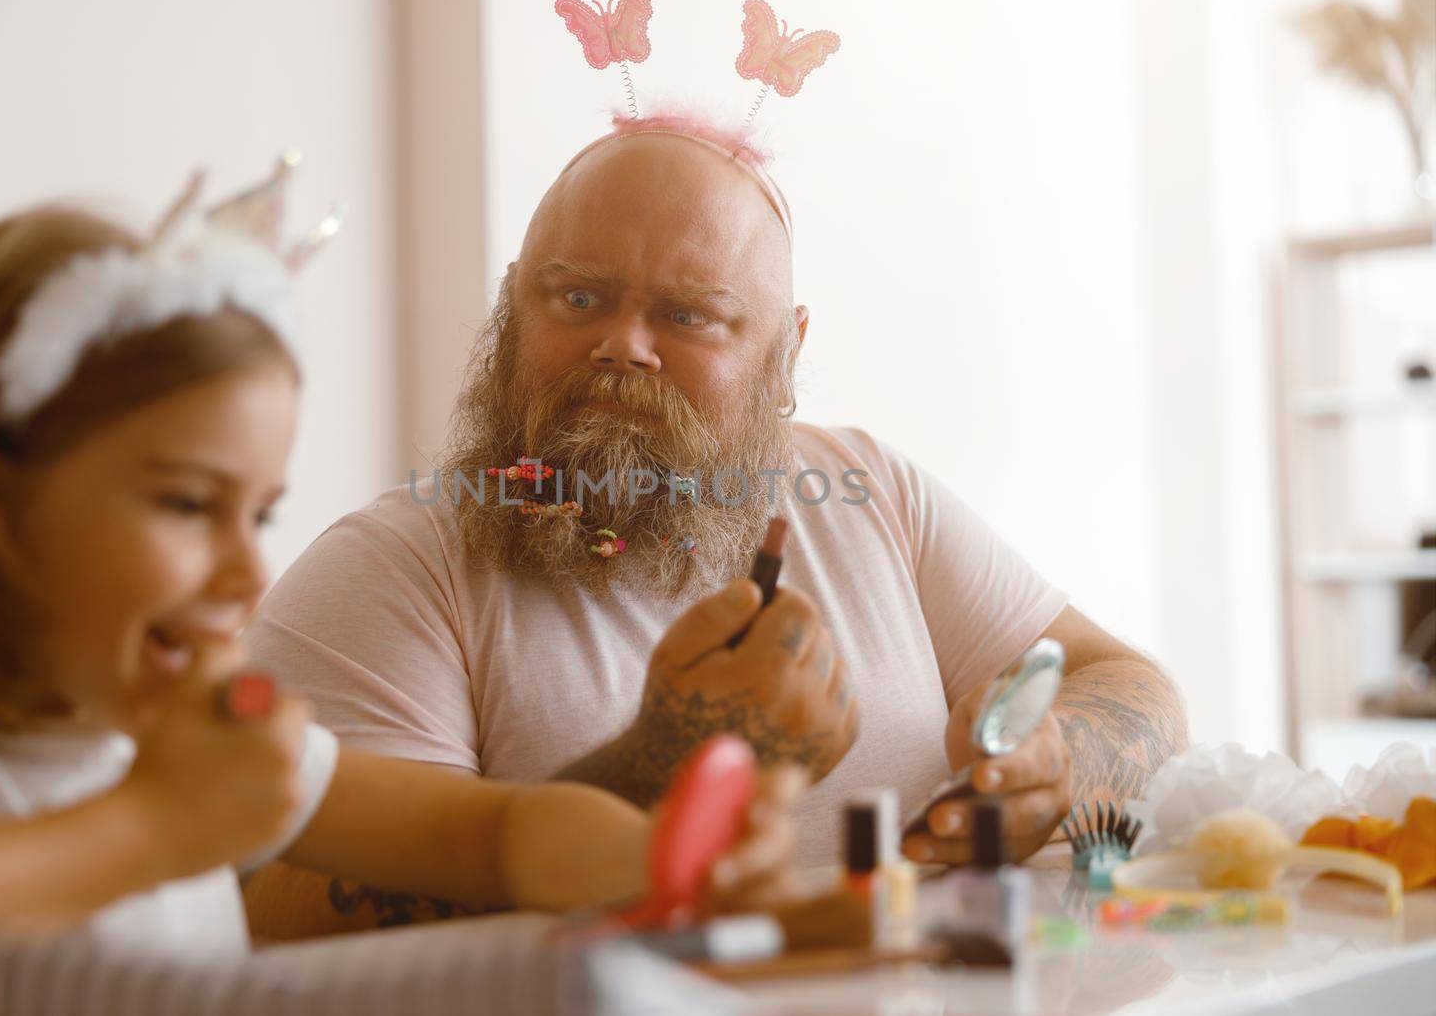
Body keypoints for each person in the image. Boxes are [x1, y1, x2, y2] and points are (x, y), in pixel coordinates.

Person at [0, 170, 800, 1015]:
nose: (248, 573)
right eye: (186, 504)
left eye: (257, 516)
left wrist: (656, 857)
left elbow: (497, 837)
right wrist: (153, 826)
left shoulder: (181, 740)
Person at [243, 113, 1189, 931]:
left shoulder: (873, 490)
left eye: (689, 316)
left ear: (789, 349)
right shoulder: (393, 571)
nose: (623, 345)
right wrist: (659, 762)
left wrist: (1058, 762)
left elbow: (1135, 687)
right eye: (577, 297)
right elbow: (283, 909)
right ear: (510, 304)